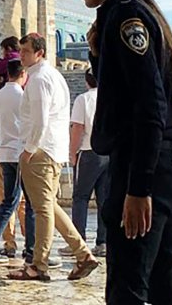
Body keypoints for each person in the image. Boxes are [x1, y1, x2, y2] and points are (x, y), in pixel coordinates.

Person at [77, 0, 172, 304]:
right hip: (168, 165)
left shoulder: (127, 17)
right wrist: (98, 55)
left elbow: (149, 105)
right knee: (166, 287)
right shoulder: (129, 13)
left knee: (128, 289)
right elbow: (124, 91)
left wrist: (138, 188)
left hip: (147, 168)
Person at [10, 33, 98, 282]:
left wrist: (29, 148)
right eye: (21, 51)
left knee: (42, 209)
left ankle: (39, 265)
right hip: (50, 150)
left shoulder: (39, 79)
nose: (22, 55)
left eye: (26, 51)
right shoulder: (51, 76)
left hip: (40, 151)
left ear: (39, 53)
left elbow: (40, 119)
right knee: (49, 205)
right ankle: (83, 254)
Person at [0, 58, 35, 264]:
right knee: (27, 202)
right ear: (23, 74)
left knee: (8, 202)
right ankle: (31, 249)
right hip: (20, 153)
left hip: (3, 153)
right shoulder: (23, 96)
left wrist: (3, 132)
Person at [64, 68, 109, 258]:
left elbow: (78, 128)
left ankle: (78, 240)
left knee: (80, 197)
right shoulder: (110, 99)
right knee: (104, 199)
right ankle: (103, 241)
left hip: (89, 152)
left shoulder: (83, 99)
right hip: (107, 154)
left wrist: (72, 153)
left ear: (87, 81)